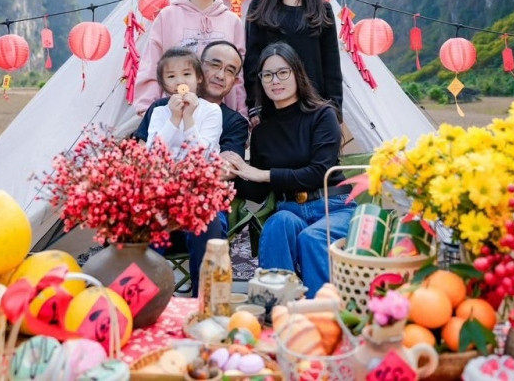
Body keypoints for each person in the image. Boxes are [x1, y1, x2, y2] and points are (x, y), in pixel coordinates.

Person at [227, 41, 354, 297]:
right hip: (291, 209)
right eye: (267, 75)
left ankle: (321, 312)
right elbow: (259, 191)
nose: (275, 80)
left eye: (283, 72)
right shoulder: (262, 131)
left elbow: (319, 172)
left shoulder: (323, 114)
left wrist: (262, 174)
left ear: (297, 73)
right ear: (260, 81)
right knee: (277, 224)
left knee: (312, 237)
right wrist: (233, 173)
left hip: (334, 206)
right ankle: (278, 308)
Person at [134, 40, 250, 297]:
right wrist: (175, 118)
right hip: (161, 201)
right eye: (215, 65)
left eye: (230, 70)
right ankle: (142, 300)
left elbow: (212, 162)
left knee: (206, 216)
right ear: (203, 69)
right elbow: (150, 155)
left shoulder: (224, 118)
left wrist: (187, 120)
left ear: (195, 76)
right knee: (140, 222)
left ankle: (204, 301)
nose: (221, 74)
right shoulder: (159, 110)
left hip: (202, 204)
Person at [135, 0, 247, 118]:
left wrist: (240, 114)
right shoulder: (168, 15)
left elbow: (239, 74)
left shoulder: (233, 21)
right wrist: (148, 109)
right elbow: (152, 63)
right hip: (173, 110)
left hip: (218, 114)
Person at [244, 0, 342, 124]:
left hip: (314, 106)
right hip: (272, 106)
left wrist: (335, 110)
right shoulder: (259, 6)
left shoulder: (323, 10)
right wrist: (254, 106)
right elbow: (252, 61)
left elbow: (331, 66)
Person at [144, 48, 222, 154]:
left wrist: (188, 117)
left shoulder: (211, 110)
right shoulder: (159, 112)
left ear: (199, 77)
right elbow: (152, 153)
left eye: (186, 74)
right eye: (171, 76)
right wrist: (174, 118)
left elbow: (204, 155)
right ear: (163, 83)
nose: (180, 81)